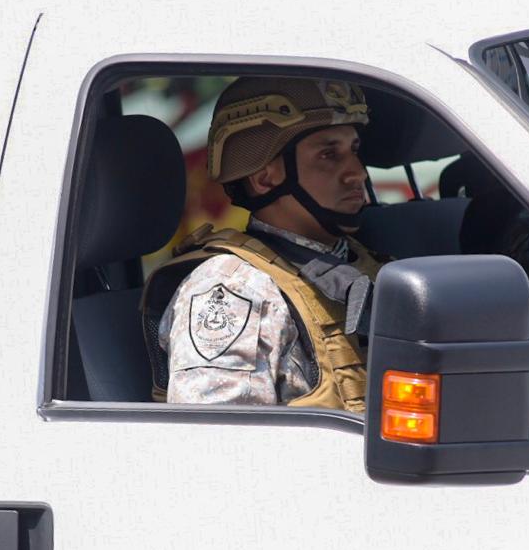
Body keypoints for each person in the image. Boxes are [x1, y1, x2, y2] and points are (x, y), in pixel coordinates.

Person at [142, 77, 385, 413]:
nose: (357, 173)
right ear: (265, 178)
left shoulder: (364, 263)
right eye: (329, 154)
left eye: (354, 151)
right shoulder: (233, 289)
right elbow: (215, 437)